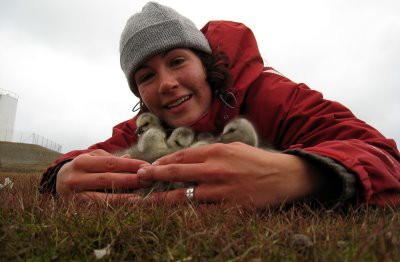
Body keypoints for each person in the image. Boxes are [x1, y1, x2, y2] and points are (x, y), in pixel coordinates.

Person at [39, 2, 400, 208]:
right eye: (146, 77)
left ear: (205, 64)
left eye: (178, 61)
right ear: (140, 95)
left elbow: (381, 154)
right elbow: (84, 160)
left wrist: (299, 174)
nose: (166, 83)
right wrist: (61, 178)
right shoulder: (146, 128)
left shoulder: (271, 95)